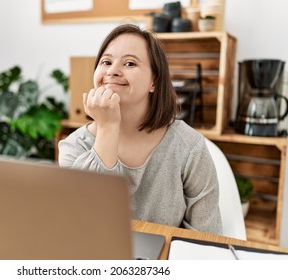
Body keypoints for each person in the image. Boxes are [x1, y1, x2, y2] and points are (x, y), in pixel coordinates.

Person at [58, 24, 222, 235]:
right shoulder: (74, 147)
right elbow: (83, 227)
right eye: (106, 61)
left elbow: (206, 238)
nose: (112, 71)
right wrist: (108, 128)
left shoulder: (189, 147)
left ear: (154, 81)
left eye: (129, 63)